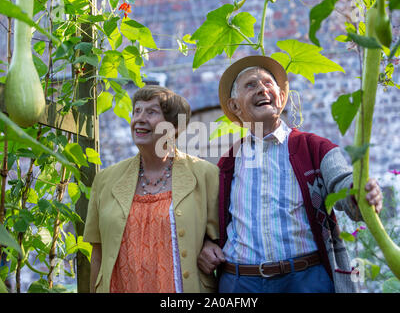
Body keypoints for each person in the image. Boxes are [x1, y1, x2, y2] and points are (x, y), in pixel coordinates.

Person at [197, 55, 383, 293]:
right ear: (235, 106)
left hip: (306, 279)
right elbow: (207, 220)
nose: (262, 90)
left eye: (268, 83)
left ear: (282, 98)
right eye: (251, 85)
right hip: (241, 283)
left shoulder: (314, 148)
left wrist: (359, 193)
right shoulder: (227, 164)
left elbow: (343, 182)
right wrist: (205, 243)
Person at [83, 85, 219, 293]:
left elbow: (224, 239)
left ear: (173, 126)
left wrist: (210, 245)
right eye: (136, 111)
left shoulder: (205, 175)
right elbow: (98, 254)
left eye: (151, 112)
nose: (139, 118)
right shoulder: (105, 181)